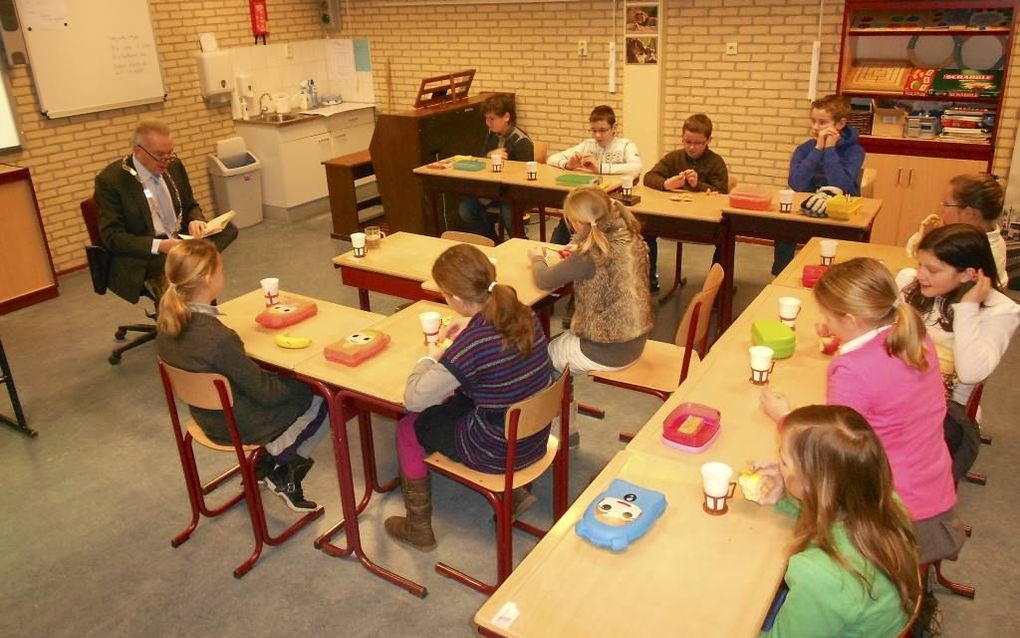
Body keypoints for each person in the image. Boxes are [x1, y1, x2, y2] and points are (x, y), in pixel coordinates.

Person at [760, 258, 965, 564]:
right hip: (934, 491)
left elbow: (832, 449)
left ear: (853, 319)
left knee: (774, 536)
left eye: (828, 316)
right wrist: (844, 337)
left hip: (893, 514)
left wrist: (785, 419)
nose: (824, 323)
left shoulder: (851, 371)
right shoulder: (913, 333)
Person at [386, 244, 553, 551]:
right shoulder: (522, 311)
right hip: (533, 436)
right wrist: (471, 325)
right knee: (456, 398)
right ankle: (514, 493)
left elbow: (413, 398)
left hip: (496, 449)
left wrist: (433, 357)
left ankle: (418, 528)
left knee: (409, 426)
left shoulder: (473, 344)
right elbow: (494, 349)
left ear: (458, 300)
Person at [155, 240, 328, 512]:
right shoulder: (218, 338)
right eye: (222, 269)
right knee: (323, 394)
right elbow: (268, 395)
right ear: (210, 278)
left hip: (206, 417)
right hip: (238, 424)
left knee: (280, 380)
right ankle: (283, 465)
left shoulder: (166, 326)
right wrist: (297, 381)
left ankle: (263, 463)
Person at [753, 405, 920, 638]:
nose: (778, 464)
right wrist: (787, 492)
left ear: (813, 484)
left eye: (784, 462)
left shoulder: (820, 575)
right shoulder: (887, 502)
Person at [529, 186, 654, 445]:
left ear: (578, 221)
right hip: (634, 339)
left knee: (540, 358)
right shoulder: (630, 237)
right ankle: (566, 423)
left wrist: (537, 258)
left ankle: (559, 433)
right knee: (559, 348)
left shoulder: (589, 256)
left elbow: (543, 280)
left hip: (607, 348)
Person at [897, 224, 1019, 480]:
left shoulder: (1001, 310)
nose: (921, 275)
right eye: (921, 265)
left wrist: (967, 308)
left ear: (967, 275)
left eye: (932, 270)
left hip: (946, 410)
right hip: (897, 387)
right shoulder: (915, 286)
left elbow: (971, 372)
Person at [96, 120, 238, 303]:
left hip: (179, 238)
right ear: (138, 150)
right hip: (148, 251)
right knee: (193, 269)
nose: (166, 160)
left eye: (169, 153)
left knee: (228, 230)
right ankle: (183, 319)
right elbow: (112, 237)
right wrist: (160, 246)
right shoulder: (111, 180)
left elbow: (190, 205)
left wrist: (196, 219)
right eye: (159, 155)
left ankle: (202, 314)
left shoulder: (174, 165)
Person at [774, 95, 865, 275]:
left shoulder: (854, 151)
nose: (815, 127)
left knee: (832, 252)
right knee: (784, 228)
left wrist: (830, 150)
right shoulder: (804, 149)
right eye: (813, 121)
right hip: (807, 210)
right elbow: (796, 184)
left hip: (839, 214)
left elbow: (842, 185)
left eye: (822, 122)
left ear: (840, 124)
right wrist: (817, 150)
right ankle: (781, 275)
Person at [644, 113, 731, 272]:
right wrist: (665, 184)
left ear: (708, 141)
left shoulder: (716, 162)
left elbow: (723, 192)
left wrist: (698, 185)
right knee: (645, 230)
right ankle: (649, 279)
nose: (691, 147)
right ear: (682, 138)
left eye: (698, 143)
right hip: (673, 217)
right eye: (687, 142)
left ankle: (717, 285)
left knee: (727, 237)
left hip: (705, 221)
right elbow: (649, 177)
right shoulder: (674, 158)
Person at [547, 105, 642, 245]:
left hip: (613, 203)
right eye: (594, 130)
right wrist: (568, 165)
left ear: (614, 127)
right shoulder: (587, 145)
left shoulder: (626, 145)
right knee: (568, 217)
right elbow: (551, 159)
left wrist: (600, 168)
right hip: (588, 202)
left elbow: (636, 168)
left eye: (603, 130)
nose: (597, 135)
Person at [905, 173, 1008, 287]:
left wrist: (929, 242)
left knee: (904, 276)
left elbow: (927, 276)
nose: (941, 209)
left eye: (946, 204)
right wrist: (927, 236)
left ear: (968, 213)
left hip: (956, 301)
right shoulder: (990, 238)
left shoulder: (968, 249)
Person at [458, 93, 534, 242]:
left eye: (491, 119)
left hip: (513, 194)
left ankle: (519, 243)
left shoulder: (521, 141)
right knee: (466, 209)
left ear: (506, 117)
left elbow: (525, 180)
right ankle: (492, 241)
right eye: (486, 118)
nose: (488, 123)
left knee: (508, 213)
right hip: (492, 190)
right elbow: (479, 161)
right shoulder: (491, 135)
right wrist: (488, 156)